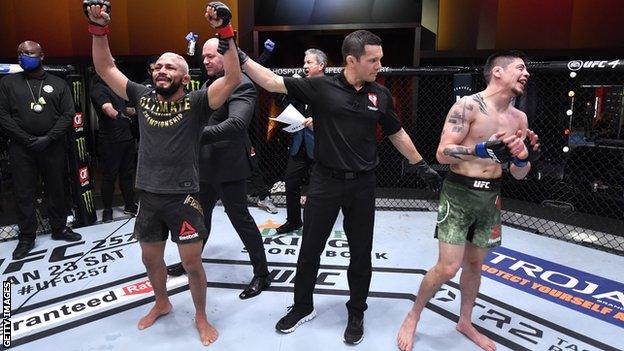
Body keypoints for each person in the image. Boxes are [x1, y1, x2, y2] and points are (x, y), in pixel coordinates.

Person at [238, 30, 442, 344]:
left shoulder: (380, 95)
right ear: (352, 60)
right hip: (324, 181)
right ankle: (303, 306)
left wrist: (420, 165)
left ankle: (357, 310)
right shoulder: (320, 86)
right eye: (373, 60)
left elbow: (395, 132)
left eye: (380, 59)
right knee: (309, 251)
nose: (379, 65)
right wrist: (236, 51)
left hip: (363, 185)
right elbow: (269, 81)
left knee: (360, 254)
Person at [84, 0, 241, 345]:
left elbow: (233, 77)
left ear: (185, 77)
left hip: (184, 195)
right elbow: (105, 67)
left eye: (170, 67)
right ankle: (162, 302)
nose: (161, 70)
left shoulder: (197, 102)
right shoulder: (142, 97)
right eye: (158, 66)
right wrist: (99, 28)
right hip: (149, 193)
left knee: (191, 263)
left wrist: (225, 31)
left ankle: (200, 316)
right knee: (150, 257)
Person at [396, 50, 541, 351]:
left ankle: (465, 321)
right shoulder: (468, 106)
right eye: (520, 68)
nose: (526, 73)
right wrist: (480, 150)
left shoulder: (519, 118)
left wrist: (525, 157)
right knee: (448, 267)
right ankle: (413, 314)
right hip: (459, 193)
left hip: (491, 197)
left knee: (475, 265)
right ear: (497, 72)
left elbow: (518, 174)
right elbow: (441, 153)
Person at [167, 38, 271, 300]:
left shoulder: (241, 84)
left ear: (227, 57)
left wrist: (195, 134)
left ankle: (262, 273)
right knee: (200, 218)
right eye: (203, 57)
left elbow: (236, 124)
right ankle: (190, 262)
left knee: (241, 220)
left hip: (229, 167)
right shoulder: (208, 84)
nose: (206, 61)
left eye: (211, 56)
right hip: (204, 166)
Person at [0, 40, 82, 260]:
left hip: (52, 146)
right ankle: (27, 236)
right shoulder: (8, 83)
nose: (23, 56)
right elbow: (3, 116)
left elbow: (68, 114)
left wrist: (49, 137)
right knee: (24, 192)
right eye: (19, 54)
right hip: (21, 148)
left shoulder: (58, 83)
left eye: (28, 53)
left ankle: (59, 228)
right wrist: (26, 138)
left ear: (41, 56)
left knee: (56, 188)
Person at [275, 48, 326, 234]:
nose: (305, 66)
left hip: (321, 147)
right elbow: (282, 103)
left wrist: (319, 121)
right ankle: (294, 221)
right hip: (299, 143)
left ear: (321, 66)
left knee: (319, 188)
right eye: (304, 62)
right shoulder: (301, 85)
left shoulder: (331, 86)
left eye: (309, 62)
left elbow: (339, 115)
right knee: (290, 181)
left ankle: (317, 223)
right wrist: (286, 89)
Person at [90, 73, 137, 222]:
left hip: (126, 138)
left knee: (127, 175)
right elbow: (107, 108)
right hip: (110, 141)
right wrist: (120, 115)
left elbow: (126, 109)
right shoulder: (98, 89)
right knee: (109, 177)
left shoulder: (117, 88)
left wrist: (138, 111)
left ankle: (130, 206)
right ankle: (107, 210)